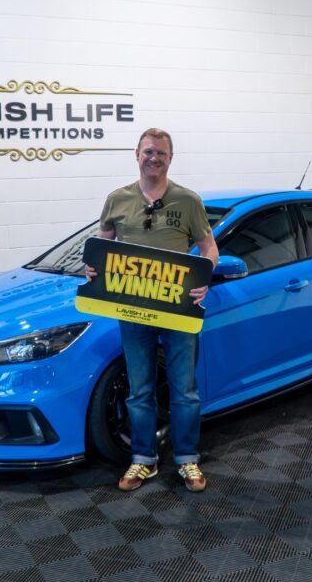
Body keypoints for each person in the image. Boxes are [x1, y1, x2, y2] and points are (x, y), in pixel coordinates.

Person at [85, 128, 218, 492]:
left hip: (177, 310)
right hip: (134, 309)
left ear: (170, 158)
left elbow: (209, 248)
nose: (154, 158)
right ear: (137, 154)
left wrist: (203, 277)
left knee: (184, 389)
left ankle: (187, 459)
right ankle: (143, 460)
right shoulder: (117, 199)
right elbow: (101, 247)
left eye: (161, 152)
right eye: (148, 151)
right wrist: (92, 268)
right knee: (139, 389)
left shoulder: (188, 201)